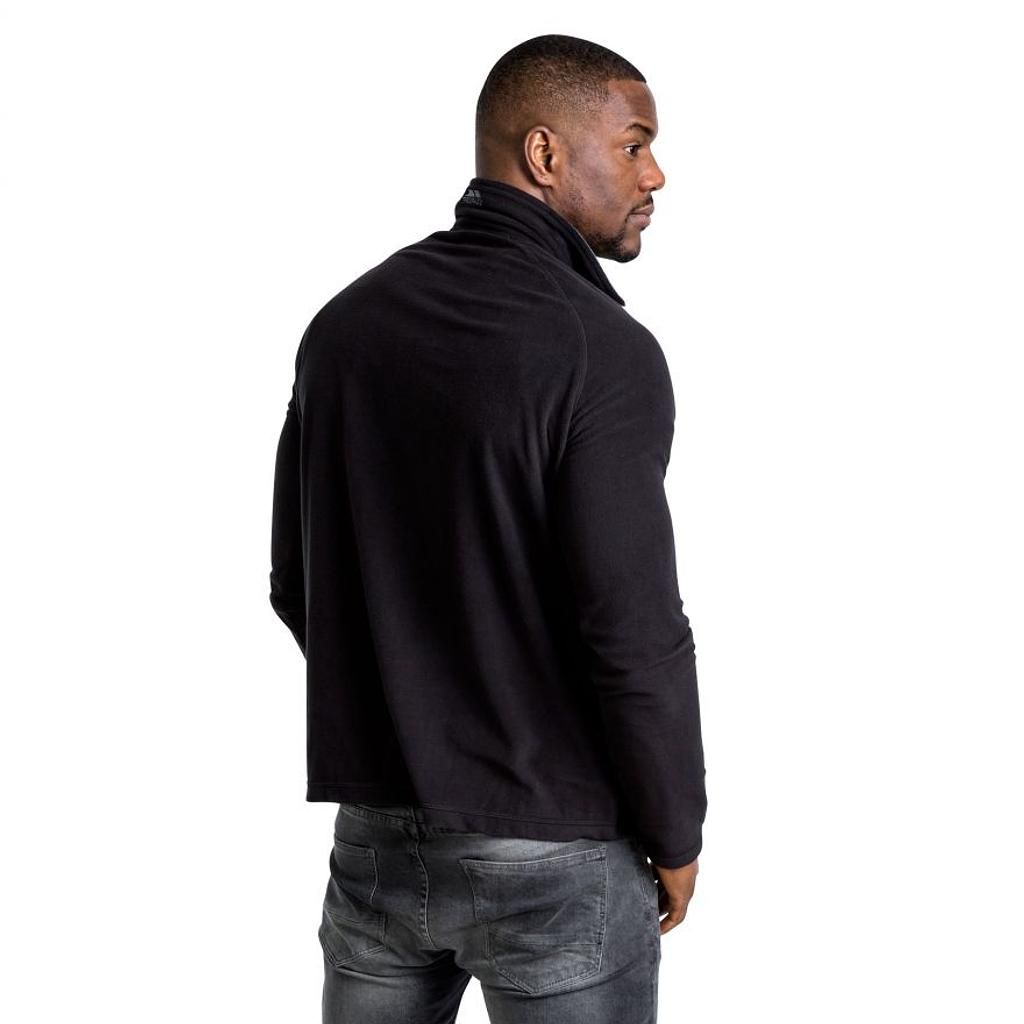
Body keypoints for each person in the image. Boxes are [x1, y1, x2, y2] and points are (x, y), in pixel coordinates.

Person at [269, 33, 708, 1023]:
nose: (655, 174)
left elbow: (299, 583)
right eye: (634, 144)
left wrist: (418, 713)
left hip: (378, 844)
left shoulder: (344, 329)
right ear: (544, 153)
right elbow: (631, 627)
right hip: (557, 849)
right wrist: (675, 826)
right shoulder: (602, 351)